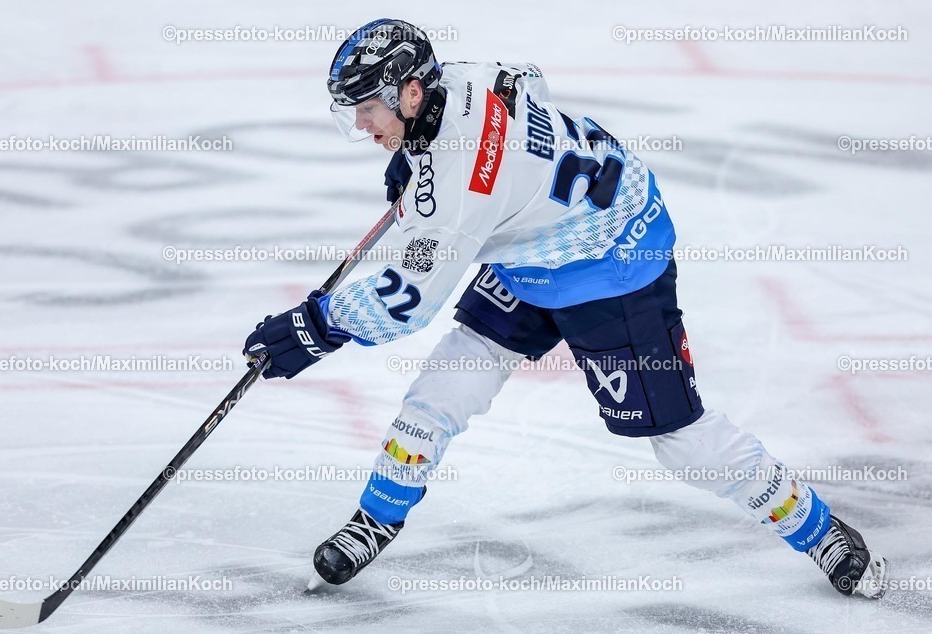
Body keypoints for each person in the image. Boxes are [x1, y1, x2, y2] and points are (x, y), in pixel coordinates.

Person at [243, 18, 888, 598]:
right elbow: (527, 80)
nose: (362, 126)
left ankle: (818, 529)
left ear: (412, 93)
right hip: (534, 250)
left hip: (614, 265)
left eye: (368, 110)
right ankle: (375, 520)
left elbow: (404, 303)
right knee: (440, 391)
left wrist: (314, 326)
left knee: (678, 440)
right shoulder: (463, 78)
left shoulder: (459, 197)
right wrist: (420, 162)